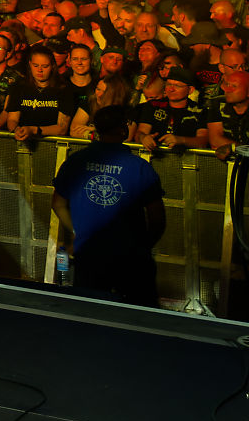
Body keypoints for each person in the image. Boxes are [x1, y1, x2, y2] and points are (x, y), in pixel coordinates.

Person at [50, 105, 166, 304]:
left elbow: (58, 204)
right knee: (140, 318)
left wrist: (78, 231)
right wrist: (144, 247)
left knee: (89, 315)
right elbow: (157, 218)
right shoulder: (139, 167)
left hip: (89, 255)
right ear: (123, 130)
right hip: (131, 258)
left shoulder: (75, 161)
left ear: (96, 130)